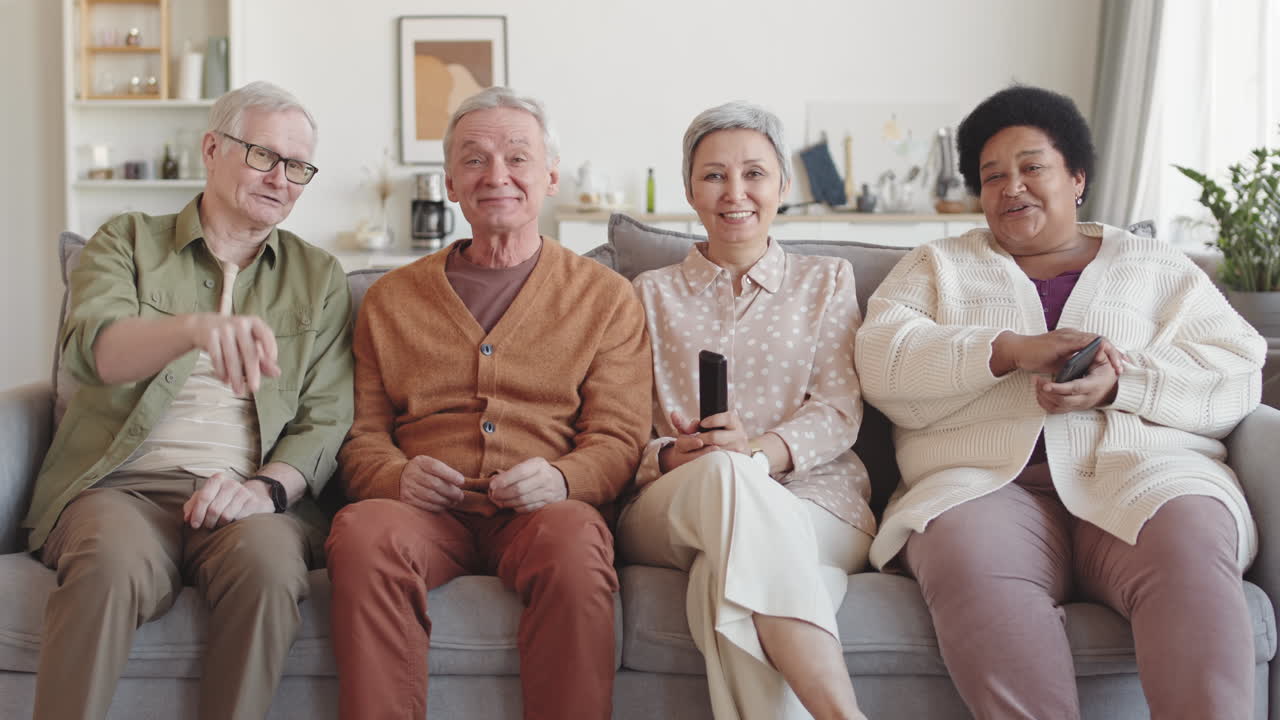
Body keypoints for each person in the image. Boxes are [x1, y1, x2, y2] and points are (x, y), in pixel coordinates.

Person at [855, 84, 1267, 719]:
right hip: (983, 485)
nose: (1011, 186)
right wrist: (1009, 351)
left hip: (1144, 475)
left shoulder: (1156, 266)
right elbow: (882, 359)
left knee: (1190, 541)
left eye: (1031, 167)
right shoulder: (938, 266)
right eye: (992, 177)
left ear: (1076, 178)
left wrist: (1124, 385)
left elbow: (1237, 368)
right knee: (966, 555)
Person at [25, 81, 353, 720]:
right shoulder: (126, 241)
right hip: (119, 486)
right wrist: (194, 328)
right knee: (109, 563)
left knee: (269, 569)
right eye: (262, 155)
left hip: (244, 497)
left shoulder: (319, 279)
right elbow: (97, 353)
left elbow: (327, 417)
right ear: (212, 148)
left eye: (297, 167)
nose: (280, 178)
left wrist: (265, 490)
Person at [324, 86, 652, 720]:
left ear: (550, 176)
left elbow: (619, 439)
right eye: (474, 160)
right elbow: (359, 437)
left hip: (541, 515)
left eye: (517, 157)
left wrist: (561, 478)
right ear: (450, 182)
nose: (496, 175)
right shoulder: (389, 300)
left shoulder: (606, 298)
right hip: (423, 515)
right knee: (361, 531)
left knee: (577, 540)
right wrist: (397, 475)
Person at [619, 101, 874, 720]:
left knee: (722, 578)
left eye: (755, 174)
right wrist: (675, 453)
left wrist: (757, 453)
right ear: (688, 188)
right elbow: (620, 428)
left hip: (817, 500)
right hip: (676, 497)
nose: (735, 193)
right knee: (725, 476)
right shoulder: (645, 295)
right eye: (713, 175)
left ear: (784, 186)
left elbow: (839, 409)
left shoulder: (828, 281)